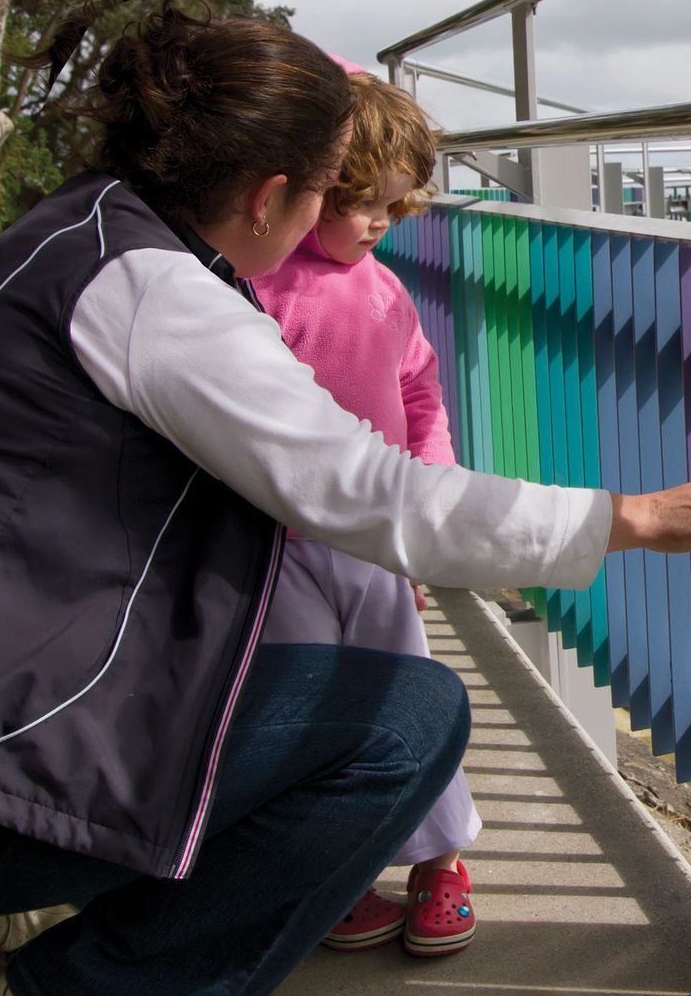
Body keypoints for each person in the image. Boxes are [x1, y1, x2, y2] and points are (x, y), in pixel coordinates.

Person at [0, 0, 691, 996]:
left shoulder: (77, 227)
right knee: (403, 720)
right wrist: (638, 516)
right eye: (324, 192)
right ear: (272, 193)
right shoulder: (160, 298)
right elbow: (371, 492)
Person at [250, 71, 483, 959]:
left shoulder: (384, 291)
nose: (382, 226)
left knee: (406, 696)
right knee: (305, 708)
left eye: (396, 209)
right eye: (366, 206)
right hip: (274, 545)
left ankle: (442, 860)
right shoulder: (256, 286)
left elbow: (421, 393)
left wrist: (431, 490)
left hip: (375, 540)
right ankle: (340, 872)